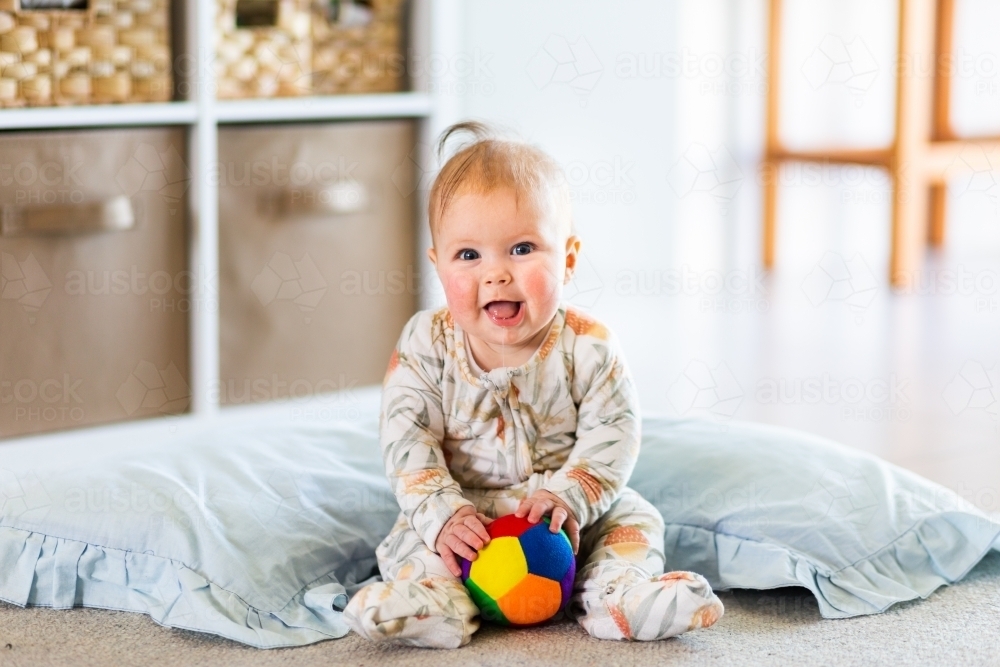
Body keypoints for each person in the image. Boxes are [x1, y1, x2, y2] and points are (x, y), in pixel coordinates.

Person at [344, 121, 724, 648]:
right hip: (466, 511)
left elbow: (613, 433)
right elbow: (407, 440)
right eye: (469, 255)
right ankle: (433, 602)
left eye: (521, 249)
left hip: (564, 515)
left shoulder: (589, 345)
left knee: (634, 520)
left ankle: (620, 597)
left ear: (567, 259)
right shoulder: (425, 342)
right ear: (438, 265)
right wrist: (442, 513)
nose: (496, 273)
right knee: (413, 539)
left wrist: (571, 496)